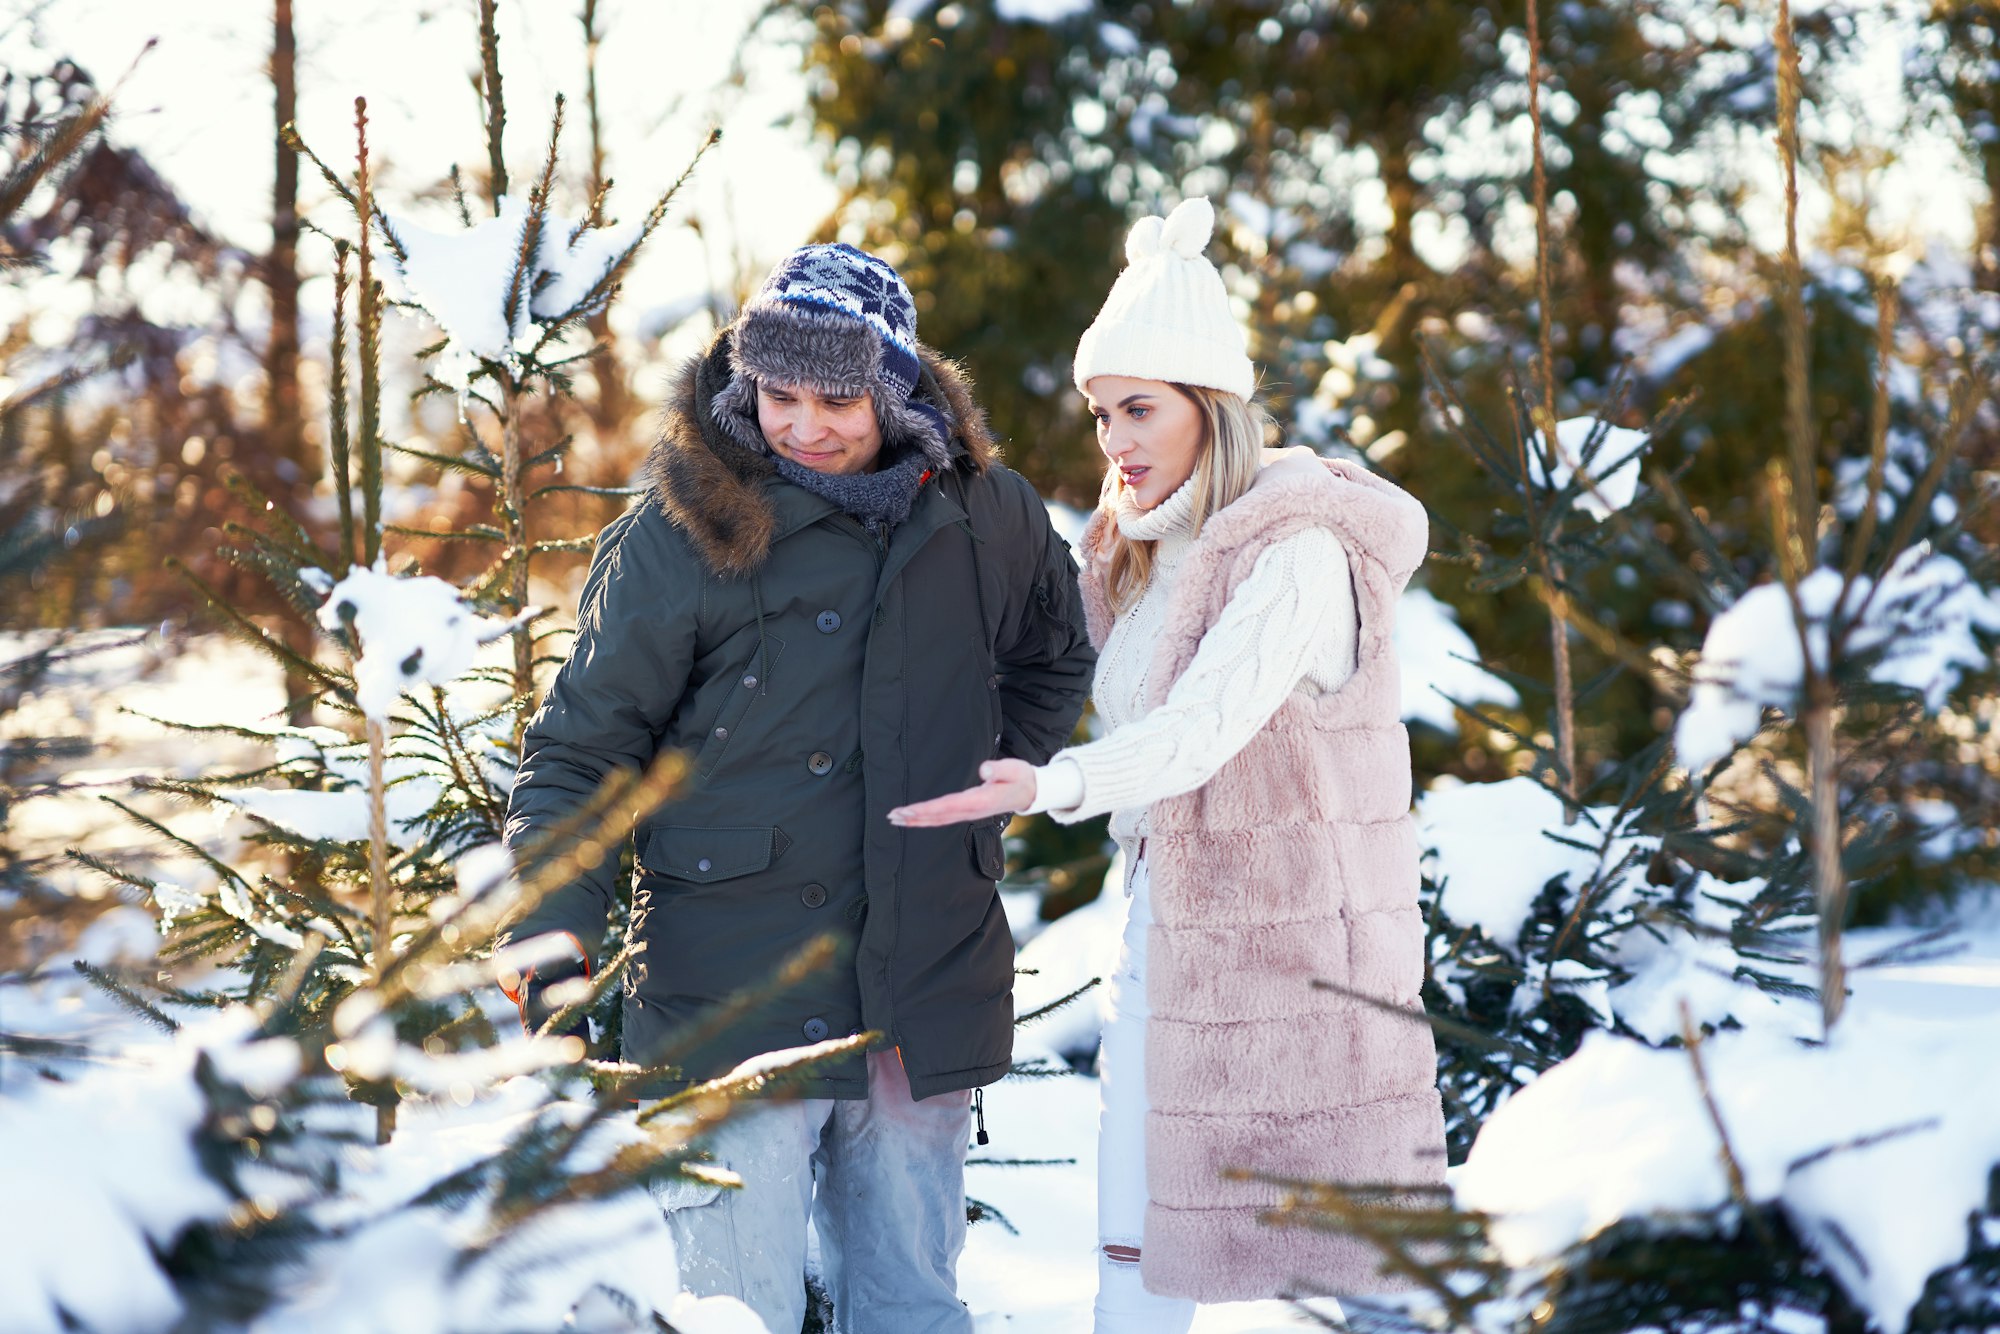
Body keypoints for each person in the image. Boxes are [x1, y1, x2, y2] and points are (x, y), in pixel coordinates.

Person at [499, 242, 1096, 1334]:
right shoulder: (685, 529)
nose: (805, 424)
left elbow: (1057, 653)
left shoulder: (988, 515)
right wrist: (553, 940)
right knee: (734, 1308)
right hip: (731, 994)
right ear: (746, 381)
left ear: (897, 383)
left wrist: (983, 771)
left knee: (912, 1301)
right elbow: (583, 751)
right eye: (780, 393)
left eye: (838, 397)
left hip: (921, 976)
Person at [890, 198, 1447, 1331]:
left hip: (1302, 965)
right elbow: (1057, 664)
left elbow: (1199, 727)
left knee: (1360, 1266)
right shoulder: (1139, 552)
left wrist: (1051, 784)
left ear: (1211, 405)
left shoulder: (1296, 549)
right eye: (1100, 414)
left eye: (1137, 409)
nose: (1114, 442)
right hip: (1169, 937)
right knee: (1134, 1251)